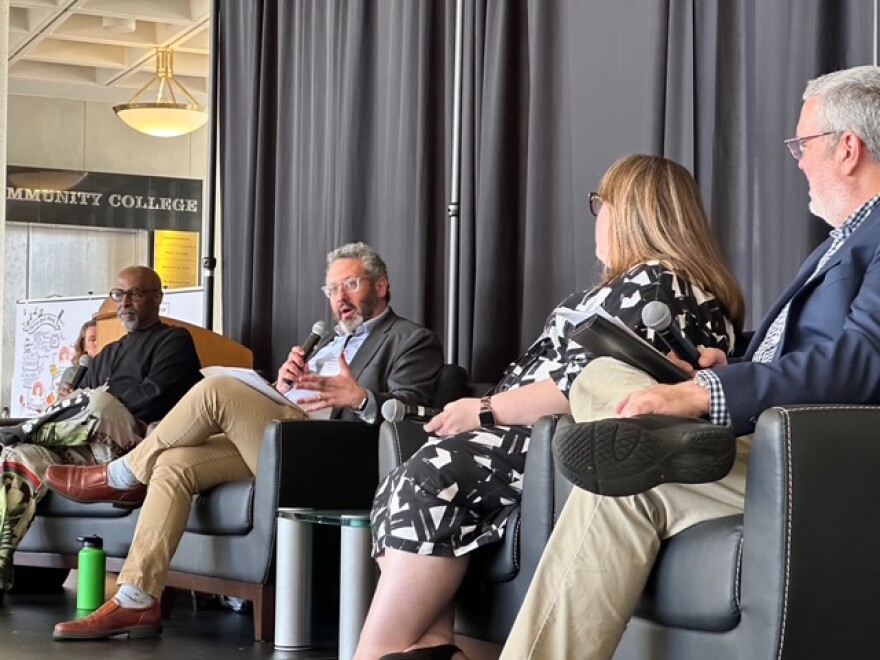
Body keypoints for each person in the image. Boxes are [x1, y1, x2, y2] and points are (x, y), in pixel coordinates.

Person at [501, 65, 880, 659]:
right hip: (760, 441)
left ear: (847, 148)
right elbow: (807, 348)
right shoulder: (844, 240)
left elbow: (864, 358)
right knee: (603, 397)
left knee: (631, 463)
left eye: (802, 145)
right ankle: (664, 439)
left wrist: (707, 395)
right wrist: (726, 364)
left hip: (811, 460)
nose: (798, 160)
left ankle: (671, 436)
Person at [353, 154, 746, 660]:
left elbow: (584, 382)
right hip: (548, 436)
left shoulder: (656, 281)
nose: (596, 218)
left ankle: (376, 651)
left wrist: (483, 410)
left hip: (569, 438)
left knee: (432, 474)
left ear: (629, 213)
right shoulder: (657, 285)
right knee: (416, 500)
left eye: (598, 205)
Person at [46, 242, 444, 640]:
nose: (340, 298)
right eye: (332, 290)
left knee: (217, 389)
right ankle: (137, 598)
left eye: (351, 285)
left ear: (382, 285)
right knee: (174, 465)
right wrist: (280, 387)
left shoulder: (410, 338)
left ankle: (122, 473)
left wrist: (358, 397)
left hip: (334, 455)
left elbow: (410, 415)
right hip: (282, 442)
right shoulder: (324, 343)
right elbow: (294, 402)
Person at [0, 266, 202, 605]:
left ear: (157, 299)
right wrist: (70, 403)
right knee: (18, 456)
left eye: (135, 294)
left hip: (134, 447)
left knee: (98, 401)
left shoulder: (174, 341)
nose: (125, 303)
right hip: (86, 450)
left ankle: (29, 429)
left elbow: (155, 395)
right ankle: (2, 564)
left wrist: (90, 404)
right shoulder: (105, 353)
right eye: (118, 294)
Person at [57, 319, 99, 393]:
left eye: (102, 338)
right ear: (83, 346)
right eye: (93, 340)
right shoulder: (72, 372)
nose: (98, 343)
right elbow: (60, 402)